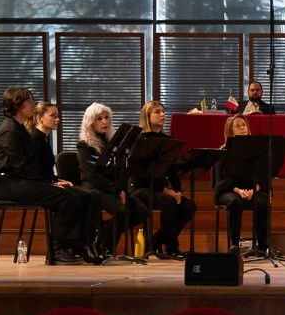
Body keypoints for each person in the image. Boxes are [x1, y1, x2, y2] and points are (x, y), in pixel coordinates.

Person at [0, 88, 84, 265]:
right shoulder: (9, 130)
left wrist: (52, 180)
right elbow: (21, 167)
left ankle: (67, 248)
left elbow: (31, 166)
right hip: (10, 185)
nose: (33, 105)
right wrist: (49, 183)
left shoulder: (18, 127)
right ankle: (57, 251)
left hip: (19, 181)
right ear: (17, 104)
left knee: (69, 195)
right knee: (66, 198)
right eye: (29, 101)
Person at [27, 101, 102, 263]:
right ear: (39, 118)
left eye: (58, 116)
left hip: (47, 181)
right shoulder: (34, 138)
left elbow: (43, 168)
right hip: (40, 185)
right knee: (75, 198)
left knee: (91, 196)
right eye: (53, 116)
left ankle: (83, 245)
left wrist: (57, 179)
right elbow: (33, 169)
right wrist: (51, 182)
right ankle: (62, 248)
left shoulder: (43, 138)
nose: (57, 119)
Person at [76, 102, 149, 256]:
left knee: (142, 211)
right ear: (90, 122)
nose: (104, 122)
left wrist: (122, 190)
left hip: (112, 188)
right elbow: (92, 175)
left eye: (107, 118)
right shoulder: (85, 146)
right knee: (122, 210)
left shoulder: (113, 143)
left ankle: (103, 233)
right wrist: (117, 191)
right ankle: (107, 247)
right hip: (93, 188)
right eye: (99, 118)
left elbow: (120, 171)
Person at [131, 101, 196, 259]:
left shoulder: (167, 140)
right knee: (169, 201)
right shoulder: (139, 139)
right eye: (157, 112)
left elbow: (172, 170)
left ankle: (158, 239)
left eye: (163, 111)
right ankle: (171, 246)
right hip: (140, 189)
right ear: (147, 116)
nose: (162, 115)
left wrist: (178, 191)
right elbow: (139, 173)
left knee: (189, 206)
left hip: (160, 189)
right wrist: (165, 190)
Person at [215, 114, 269, 254]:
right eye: (237, 126)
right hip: (229, 191)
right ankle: (234, 244)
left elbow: (264, 176)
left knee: (262, 201)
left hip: (252, 189)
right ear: (230, 131)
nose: (242, 128)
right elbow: (220, 181)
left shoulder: (257, 151)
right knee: (235, 202)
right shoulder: (223, 152)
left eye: (244, 125)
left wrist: (254, 190)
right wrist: (239, 191)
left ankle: (262, 245)